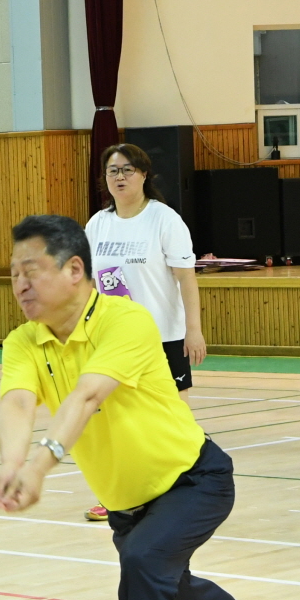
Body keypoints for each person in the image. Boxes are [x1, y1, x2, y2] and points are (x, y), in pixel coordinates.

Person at [0, 215, 285, 600]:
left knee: (145, 566)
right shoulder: (23, 341)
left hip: (193, 481)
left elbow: (87, 396)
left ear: (75, 270)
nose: (20, 284)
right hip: (128, 504)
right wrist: (10, 465)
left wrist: (40, 466)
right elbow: (18, 404)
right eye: (12, 274)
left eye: (32, 270)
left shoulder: (125, 320)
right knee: (165, 586)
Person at [81, 143, 204, 523]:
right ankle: (119, 492)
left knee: (172, 415)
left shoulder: (164, 220)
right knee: (112, 417)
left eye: (127, 170)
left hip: (163, 335)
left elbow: (186, 278)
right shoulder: (98, 224)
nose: (119, 177)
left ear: (144, 175)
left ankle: (180, 486)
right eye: (113, 171)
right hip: (112, 337)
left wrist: (193, 330)